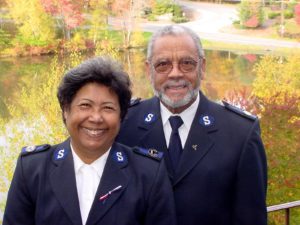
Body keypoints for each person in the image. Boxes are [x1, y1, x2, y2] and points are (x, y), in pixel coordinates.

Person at [117, 25, 268, 225]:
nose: (175, 74)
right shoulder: (124, 124)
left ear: (202, 67)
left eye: (187, 63)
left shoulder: (240, 134)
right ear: (148, 70)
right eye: (163, 64)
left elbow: (251, 219)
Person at [3, 56, 177, 225]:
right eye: (85, 105)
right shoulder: (33, 170)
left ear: (121, 116)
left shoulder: (148, 173)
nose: (96, 118)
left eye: (108, 108)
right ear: (66, 110)